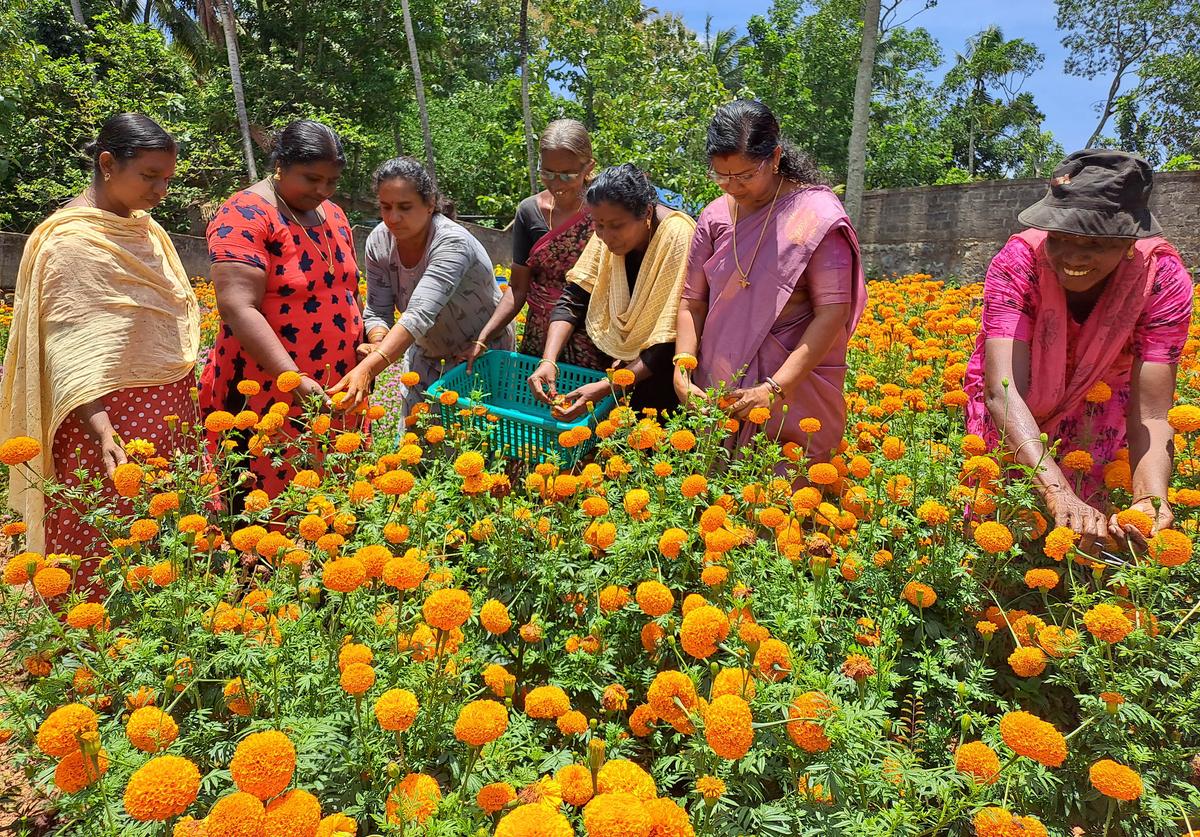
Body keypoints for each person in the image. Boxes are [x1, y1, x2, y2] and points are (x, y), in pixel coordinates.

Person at [963, 149, 1193, 548]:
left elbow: (1153, 412)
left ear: (1129, 241)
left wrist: (1149, 499)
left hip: (1097, 408)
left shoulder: (1161, 281)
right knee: (996, 518)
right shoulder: (1019, 262)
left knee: (1089, 537)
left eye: (1095, 241)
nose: (1073, 255)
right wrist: (1055, 490)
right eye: (1060, 236)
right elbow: (1003, 390)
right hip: (1015, 406)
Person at [0, 113, 200, 561]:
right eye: (150, 176)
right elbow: (69, 351)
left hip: (169, 414)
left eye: (166, 179)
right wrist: (105, 432)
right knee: (106, 546)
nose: (160, 192)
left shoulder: (148, 231)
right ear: (108, 163)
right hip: (105, 424)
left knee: (172, 549)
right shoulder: (67, 242)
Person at [676, 100, 866, 463]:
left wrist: (775, 388)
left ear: (775, 157)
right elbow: (692, 302)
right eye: (721, 175)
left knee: (787, 506)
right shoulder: (714, 217)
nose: (732, 187)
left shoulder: (815, 217)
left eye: (746, 175)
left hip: (793, 394)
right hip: (717, 388)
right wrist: (682, 368)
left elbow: (833, 311)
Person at [199, 119, 361, 496]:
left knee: (330, 503)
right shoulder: (245, 214)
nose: (322, 190)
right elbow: (238, 306)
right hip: (266, 389)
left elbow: (347, 288)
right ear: (280, 165)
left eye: (331, 181)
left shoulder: (334, 215)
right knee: (264, 499)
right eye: (311, 178)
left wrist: (367, 337)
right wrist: (293, 378)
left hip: (334, 388)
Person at [334, 157, 512, 414]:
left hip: (479, 354)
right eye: (385, 207)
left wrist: (369, 368)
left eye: (405, 207)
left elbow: (418, 314)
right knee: (416, 440)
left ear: (429, 205)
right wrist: (378, 341)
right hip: (426, 354)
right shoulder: (379, 242)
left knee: (474, 441)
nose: (393, 218)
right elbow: (377, 311)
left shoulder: (452, 243)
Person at [527, 164, 696, 419]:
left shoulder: (678, 236)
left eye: (616, 226)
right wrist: (548, 360)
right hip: (615, 370)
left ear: (647, 213)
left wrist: (607, 387)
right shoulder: (606, 230)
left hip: (662, 375)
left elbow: (667, 340)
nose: (605, 236)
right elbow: (574, 297)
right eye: (599, 225)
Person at [467, 119, 606, 370]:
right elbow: (518, 288)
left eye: (567, 175)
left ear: (589, 167)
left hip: (594, 338)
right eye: (548, 173)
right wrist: (484, 336)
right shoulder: (529, 212)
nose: (556, 184)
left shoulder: (605, 210)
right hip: (538, 338)